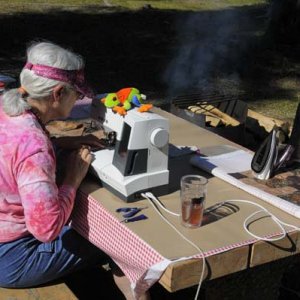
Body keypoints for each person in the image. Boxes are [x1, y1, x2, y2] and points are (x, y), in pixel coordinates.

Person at [0, 41, 150, 300]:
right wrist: (73, 177)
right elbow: (46, 229)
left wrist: (57, 142)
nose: (79, 99)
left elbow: (14, 154)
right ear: (58, 93)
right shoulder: (34, 147)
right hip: (13, 259)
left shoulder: (7, 108)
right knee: (119, 238)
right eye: (77, 95)